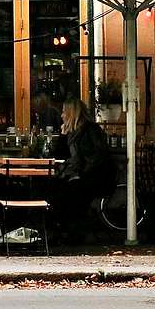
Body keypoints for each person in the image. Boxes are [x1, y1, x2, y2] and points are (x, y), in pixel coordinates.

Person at [50, 100, 115, 238]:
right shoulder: (73, 132)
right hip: (83, 175)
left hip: (96, 177)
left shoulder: (90, 130)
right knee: (55, 188)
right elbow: (59, 154)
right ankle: (65, 228)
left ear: (71, 113)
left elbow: (97, 157)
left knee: (70, 193)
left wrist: (80, 174)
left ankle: (73, 230)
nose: (61, 115)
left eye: (64, 111)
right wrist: (63, 135)